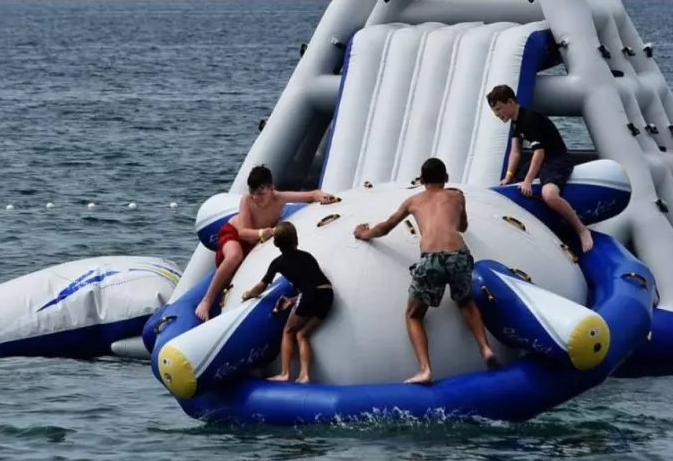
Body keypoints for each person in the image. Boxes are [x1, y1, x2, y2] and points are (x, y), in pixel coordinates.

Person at [352, 157, 497, 384]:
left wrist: (363, 233)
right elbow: (463, 226)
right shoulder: (457, 195)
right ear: (446, 179)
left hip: (431, 258)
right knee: (466, 301)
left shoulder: (413, 201)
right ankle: (485, 348)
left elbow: (385, 227)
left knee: (413, 314)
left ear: (421, 180)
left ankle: (425, 369)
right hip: (459, 253)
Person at [197, 165, 335, 320]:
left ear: (271, 189)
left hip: (254, 241)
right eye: (253, 192)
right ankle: (206, 301)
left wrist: (321, 195)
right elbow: (242, 232)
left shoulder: (279, 198)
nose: (256, 198)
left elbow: (309, 195)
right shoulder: (247, 201)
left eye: (261, 193)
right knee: (235, 255)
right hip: (234, 235)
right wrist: (262, 232)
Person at [485, 84, 593, 254]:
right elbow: (515, 152)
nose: (497, 115)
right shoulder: (515, 122)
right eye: (494, 111)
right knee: (511, 185)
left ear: (511, 102)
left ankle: (581, 229)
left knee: (549, 195)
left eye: (499, 109)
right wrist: (509, 176)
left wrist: (528, 181)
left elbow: (539, 153)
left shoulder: (529, 120)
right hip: (542, 161)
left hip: (556, 160)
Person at [239, 222, 333, 383]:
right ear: (295, 239)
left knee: (288, 332)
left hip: (310, 295)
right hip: (327, 294)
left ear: (276, 243)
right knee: (302, 334)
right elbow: (313, 283)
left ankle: (285, 373)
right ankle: (304, 376)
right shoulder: (307, 256)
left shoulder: (278, 263)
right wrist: (295, 300)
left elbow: (262, 286)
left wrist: (248, 294)